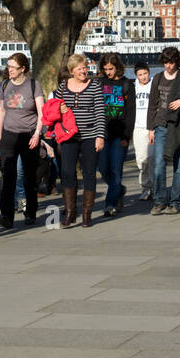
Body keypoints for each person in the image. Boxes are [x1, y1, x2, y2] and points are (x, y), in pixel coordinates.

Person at [50, 54, 104, 228]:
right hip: (68, 136)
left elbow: (100, 113)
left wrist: (100, 136)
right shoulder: (63, 87)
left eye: (85, 67)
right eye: (80, 68)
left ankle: (87, 214)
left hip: (89, 135)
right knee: (67, 172)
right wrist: (61, 109)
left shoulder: (94, 86)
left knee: (89, 172)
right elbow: (54, 112)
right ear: (72, 71)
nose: (84, 71)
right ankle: (70, 213)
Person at [146, 46, 180, 215]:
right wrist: (150, 128)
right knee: (159, 163)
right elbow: (152, 104)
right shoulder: (158, 78)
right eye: (166, 62)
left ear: (177, 61)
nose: (168, 66)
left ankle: (175, 201)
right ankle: (159, 200)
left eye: (171, 62)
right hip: (161, 124)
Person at [0, 52, 45, 227]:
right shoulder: (5, 85)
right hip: (9, 134)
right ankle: (6, 215)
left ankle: (30, 212)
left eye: (13, 67)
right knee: (8, 176)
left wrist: (37, 133)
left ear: (23, 68)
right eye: (8, 66)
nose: (9, 70)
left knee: (29, 177)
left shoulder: (33, 85)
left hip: (28, 135)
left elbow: (42, 112)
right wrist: (0, 135)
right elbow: (2, 111)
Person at [98, 53, 135, 216]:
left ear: (117, 67)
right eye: (105, 69)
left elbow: (131, 112)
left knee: (116, 169)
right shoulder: (99, 83)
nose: (108, 72)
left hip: (120, 134)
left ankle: (110, 203)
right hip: (102, 133)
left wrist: (127, 136)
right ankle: (119, 189)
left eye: (111, 69)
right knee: (103, 168)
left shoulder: (127, 84)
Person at [131, 62, 154, 199]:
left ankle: (154, 187)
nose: (143, 77)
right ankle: (145, 187)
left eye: (145, 73)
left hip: (151, 127)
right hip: (138, 127)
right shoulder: (134, 87)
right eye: (140, 75)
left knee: (151, 158)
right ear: (136, 76)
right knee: (141, 160)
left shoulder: (154, 85)